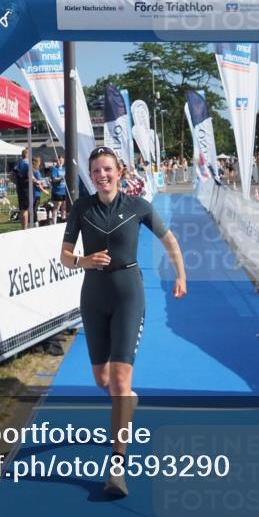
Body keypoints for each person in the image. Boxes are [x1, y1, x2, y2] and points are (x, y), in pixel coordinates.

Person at [60, 146, 187, 498]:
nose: (102, 175)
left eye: (108, 169)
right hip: (93, 296)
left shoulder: (137, 206)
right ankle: (127, 400)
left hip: (129, 293)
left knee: (118, 379)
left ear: (120, 172)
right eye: (96, 170)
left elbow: (169, 240)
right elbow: (65, 256)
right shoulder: (82, 208)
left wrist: (181, 275)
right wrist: (83, 260)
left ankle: (116, 467)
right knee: (103, 380)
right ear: (91, 175)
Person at [15, 148, 32, 230]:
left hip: (20, 187)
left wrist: (17, 182)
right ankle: (25, 228)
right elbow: (30, 176)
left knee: (22, 209)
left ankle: (24, 227)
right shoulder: (27, 163)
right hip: (25, 188)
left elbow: (12, 174)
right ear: (27, 154)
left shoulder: (19, 163)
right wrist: (37, 181)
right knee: (25, 209)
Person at [49, 156, 68, 222]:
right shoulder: (54, 169)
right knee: (57, 206)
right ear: (56, 161)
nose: (60, 162)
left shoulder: (64, 169)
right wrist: (62, 178)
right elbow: (54, 179)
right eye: (59, 160)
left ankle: (63, 220)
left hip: (64, 191)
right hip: (57, 191)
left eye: (62, 160)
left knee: (64, 207)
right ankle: (54, 221)